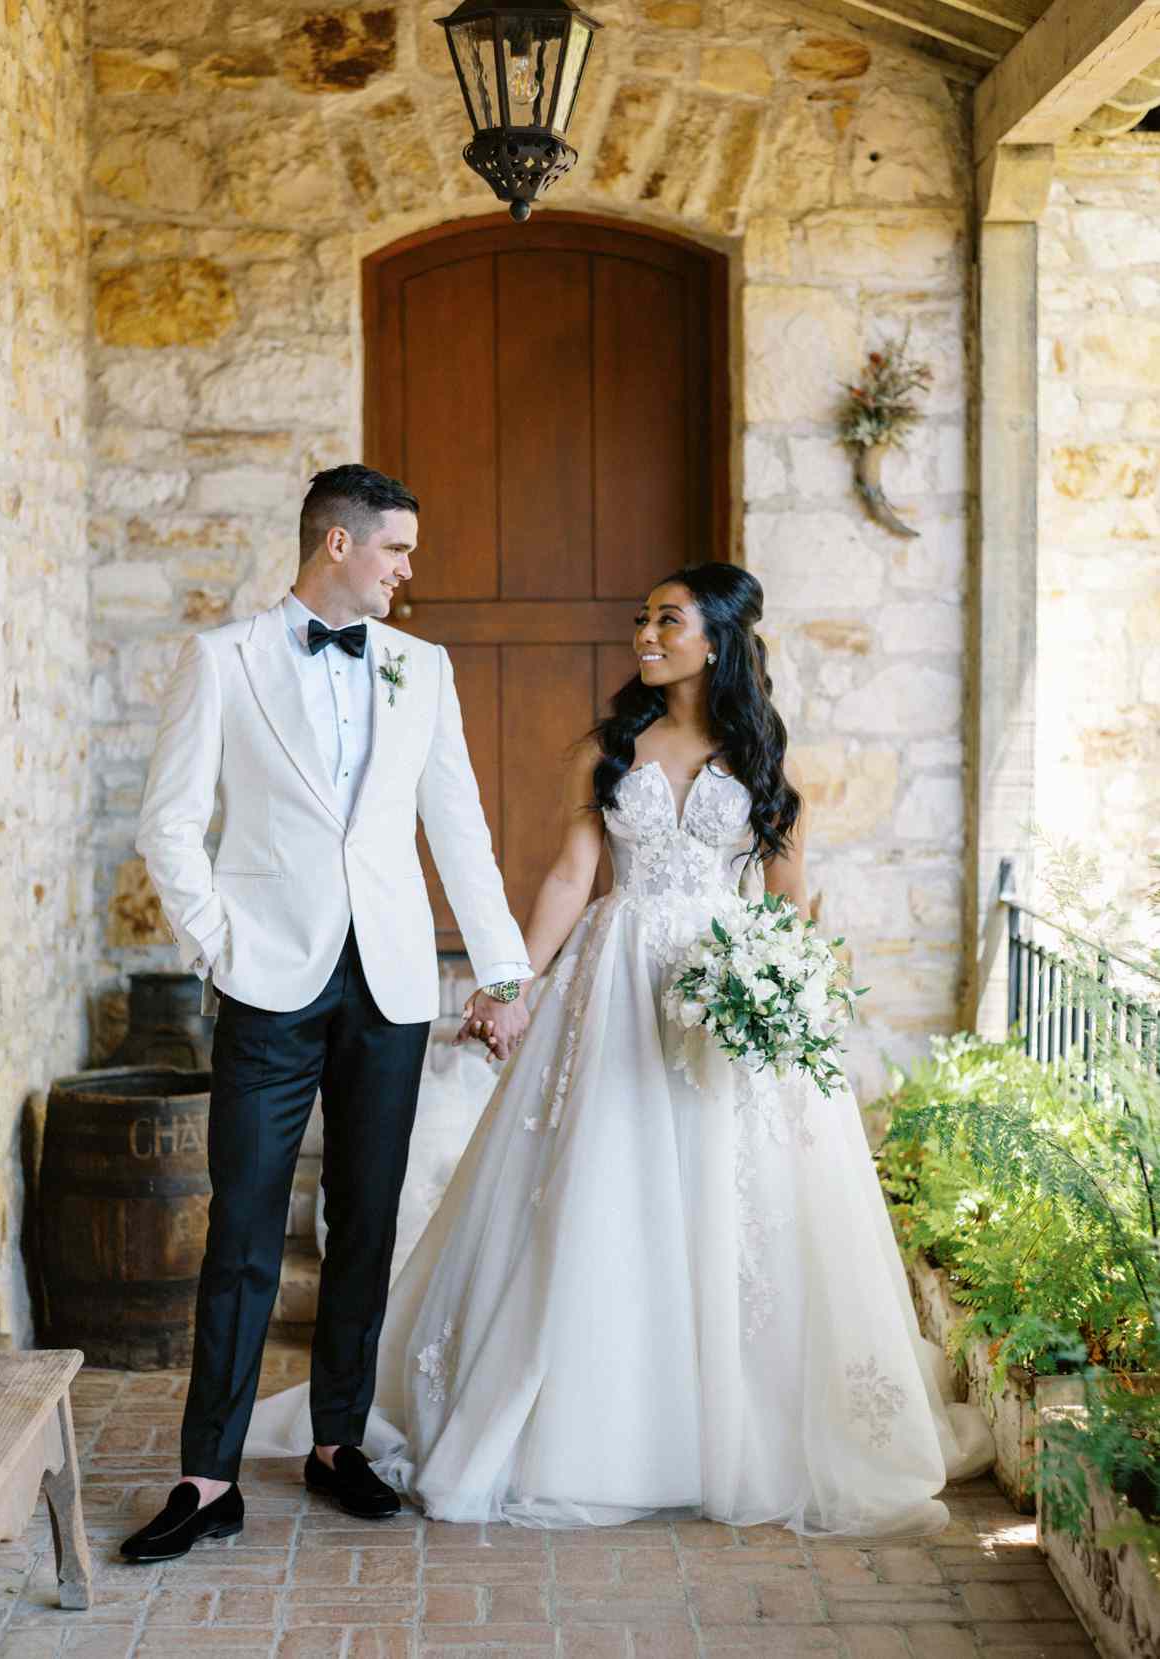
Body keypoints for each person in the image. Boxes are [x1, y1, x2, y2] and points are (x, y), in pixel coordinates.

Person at [246, 561, 993, 1536]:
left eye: (666, 620)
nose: (644, 633)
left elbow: (789, 897)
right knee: (602, 1192)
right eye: (641, 618)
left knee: (730, 1204)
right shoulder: (607, 749)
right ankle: (578, 1422)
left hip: (727, 998)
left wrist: (786, 989)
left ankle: (723, 1429)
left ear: (716, 639)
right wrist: (507, 980)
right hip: (613, 989)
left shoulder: (762, 760)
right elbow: (568, 875)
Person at [121, 465, 533, 1562]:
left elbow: (458, 825)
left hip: (389, 984)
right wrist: (221, 946)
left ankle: (336, 1443)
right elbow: (168, 825)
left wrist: (500, 971)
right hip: (267, 981)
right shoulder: (223, 660)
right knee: (243, 1232)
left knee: (365, 1221)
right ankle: (205, 1478)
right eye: (395, 549)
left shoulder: (421, 667)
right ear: (337, 545)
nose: (408, 570)